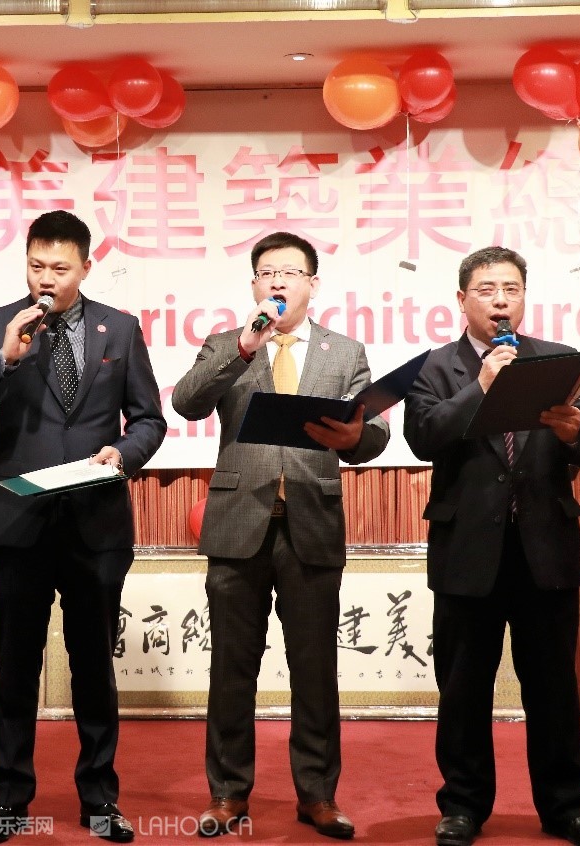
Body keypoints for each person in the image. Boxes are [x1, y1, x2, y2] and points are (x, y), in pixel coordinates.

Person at [0, 210, 166, 845]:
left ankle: (100, 798)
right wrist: (4, 362)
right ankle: (8, 800)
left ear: (85, 268)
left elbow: (149, 418)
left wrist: (124, 453)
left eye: (60, 268)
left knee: (94, 666)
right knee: (14, 667)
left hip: (95, 523)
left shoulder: (120, 328)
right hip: (19, 522)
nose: (46, 279)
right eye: (36, 265)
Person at [173, 231, 389, 840]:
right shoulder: (228, 344)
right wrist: (245, 349)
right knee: (231, 668)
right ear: (253, 284)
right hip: (237, 523)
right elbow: (187, 403)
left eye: (290, 273)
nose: (277, 281)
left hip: (311, 522)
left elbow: (373, 435)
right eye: (267, 272)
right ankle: (227, 792)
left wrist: (357, 437)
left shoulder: (345, 352)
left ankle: (318, 795)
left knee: (315, 669)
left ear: (312, 285)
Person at [403, 246, 580, 846]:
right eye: (488, 289)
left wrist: (576, 431)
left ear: (524, 296)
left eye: (512, 289)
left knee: (553, 687)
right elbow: (424, 436)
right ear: (462, 299)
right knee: (463, 689)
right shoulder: (436, 368)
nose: (501, 300)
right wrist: (481, 386)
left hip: (544, 547)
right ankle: (463, 806)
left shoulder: (558, 361)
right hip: (468, 551)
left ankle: (567, 807)